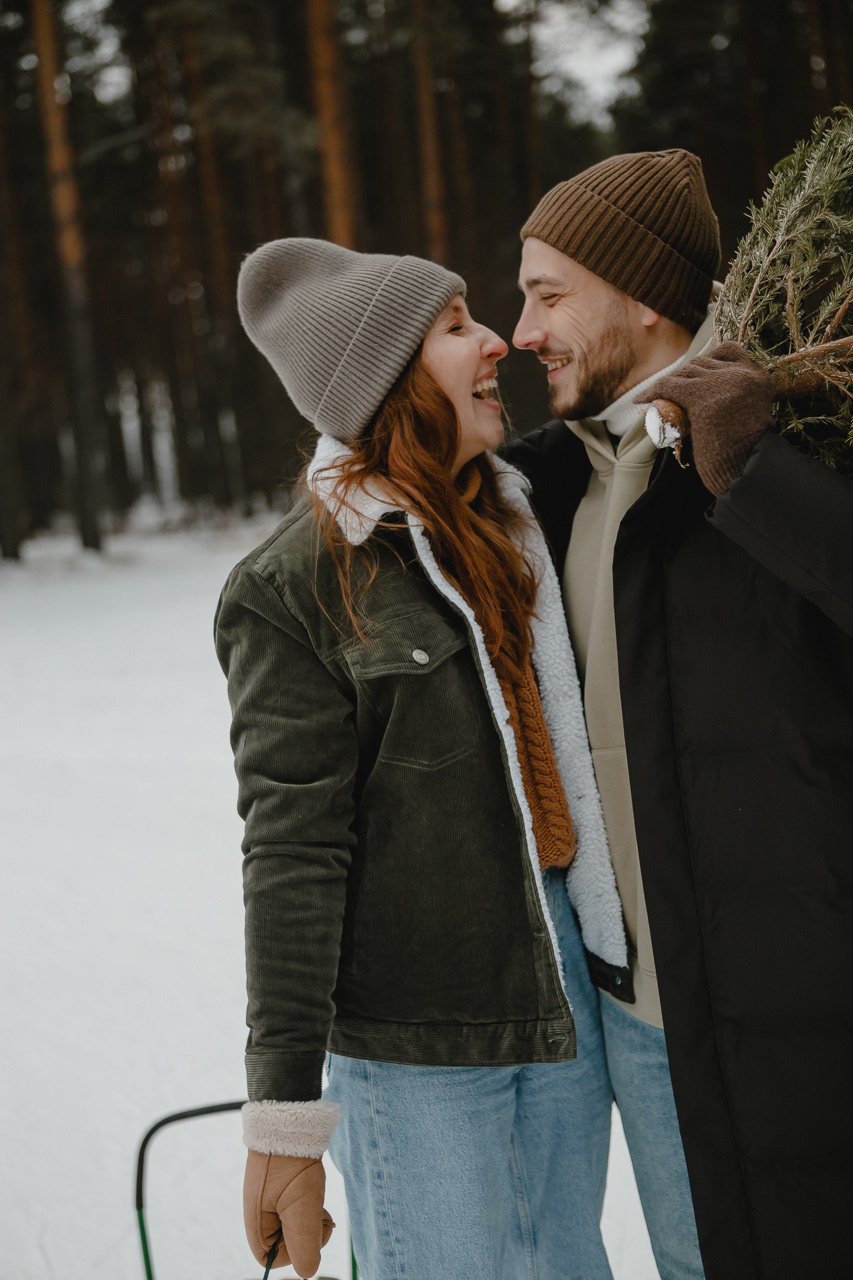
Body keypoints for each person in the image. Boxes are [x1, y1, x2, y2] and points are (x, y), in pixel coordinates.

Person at [214, 238, 628, 1280]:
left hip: (557, 996)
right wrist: (285, 1116)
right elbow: (292, 857)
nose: (496, 340)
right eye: (453, 328)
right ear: (387, 379)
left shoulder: (515, 514)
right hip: (415, 1053)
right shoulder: (295, 584)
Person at [507, 149, 853, 1280]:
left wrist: (754, 470)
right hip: (647, 1021)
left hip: (802, 1018)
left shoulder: (791, 441)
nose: (522, 330)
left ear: (645, 297)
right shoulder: (555, 483)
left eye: (548, 294)